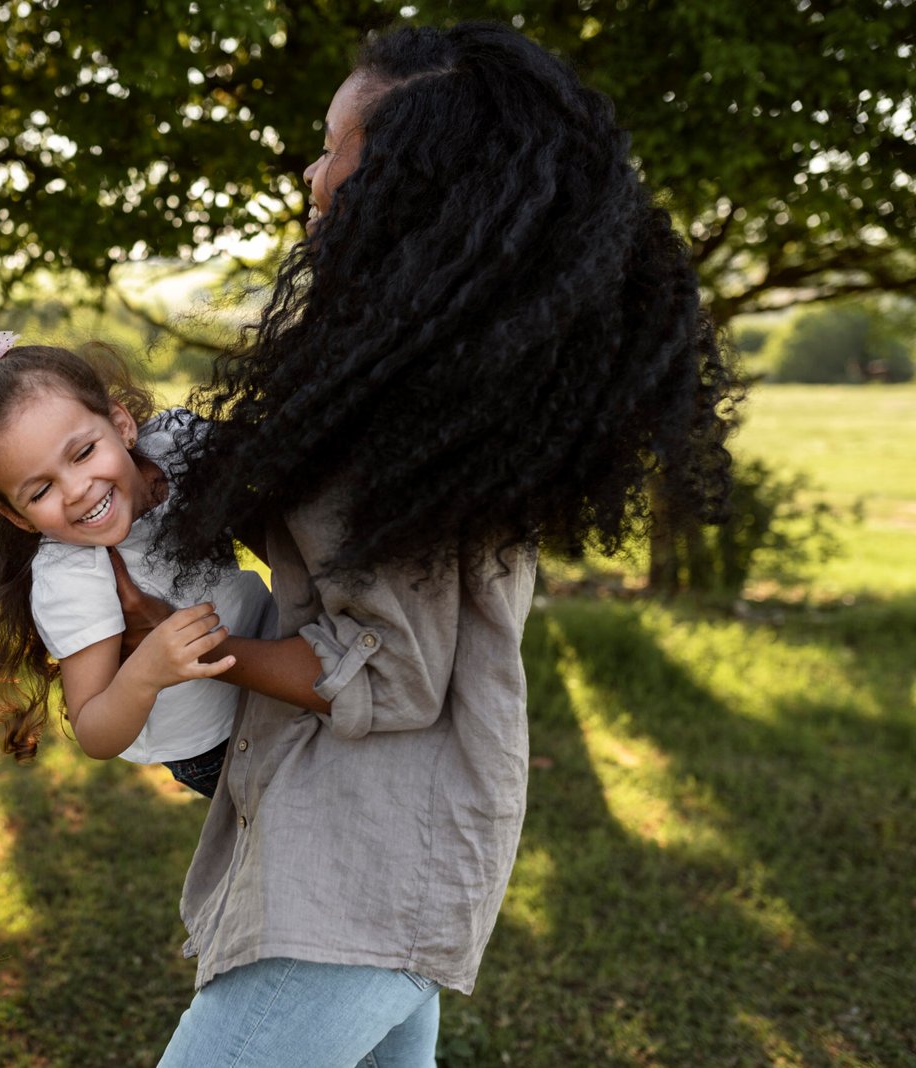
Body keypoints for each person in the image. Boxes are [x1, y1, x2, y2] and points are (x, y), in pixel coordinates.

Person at [109, 22, 740, 1067]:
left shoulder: (412, 423)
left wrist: (180, 640)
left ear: (408, 180)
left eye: (330, 147)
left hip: (360, 873)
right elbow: (336, 540)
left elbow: (390, 673)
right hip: (378, 866)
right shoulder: (433, 400)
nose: (311, 174)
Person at [0, 333, 273, 797]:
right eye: (40, 492)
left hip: (279, 661)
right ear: (18, 517)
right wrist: (147, 670)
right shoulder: (73, 575)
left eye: (83, 453)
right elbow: (95, 731)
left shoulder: (176, 448)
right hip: (218, 745)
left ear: (120, 423)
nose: (76, 490)